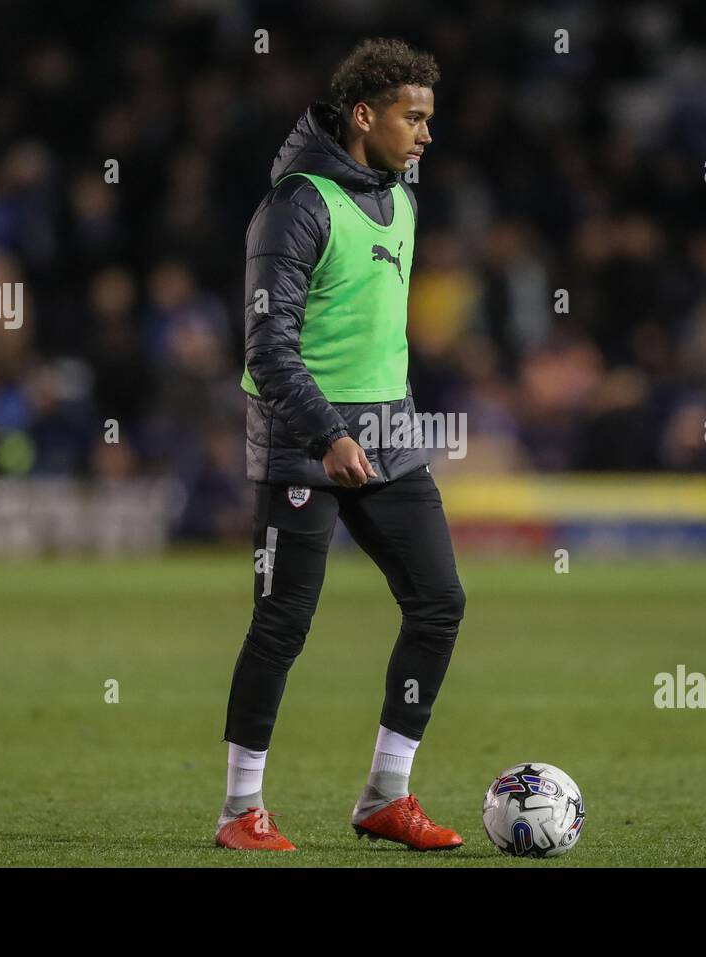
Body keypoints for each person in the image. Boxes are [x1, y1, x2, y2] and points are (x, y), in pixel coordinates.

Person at [217, 38, 466, 851]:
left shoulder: (403, 197)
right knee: (283, 621)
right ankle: (240, 810)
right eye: (413, 117)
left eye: (430, 117)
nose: (426, 134)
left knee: (439, 602)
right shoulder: (297, 204)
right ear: (366, 116)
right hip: (302, 435)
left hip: (389, 432)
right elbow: (268, 349)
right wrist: (327, 432)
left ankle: (384, 794)